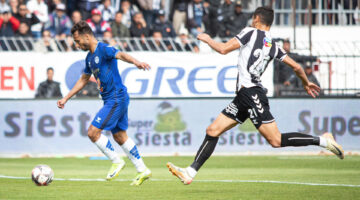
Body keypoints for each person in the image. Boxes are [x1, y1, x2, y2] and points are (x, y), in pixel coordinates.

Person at [166, 6, 344, 185]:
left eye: (253, 17)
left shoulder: (250, 32)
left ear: (257, 18)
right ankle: (190, 172)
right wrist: (306, 83)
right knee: (212, 130)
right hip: (243, 96)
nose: (252, 20)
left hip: (252, 93)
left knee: (275, 140)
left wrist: (207, 39)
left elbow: (223, 49)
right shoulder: (273, 45)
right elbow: (297, 67)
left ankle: (323, 141)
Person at [57, 21, 152, 185]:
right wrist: (66, 98)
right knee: (120, 136)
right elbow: (83, 80)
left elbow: (121, 54)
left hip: (116, 98)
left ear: (87, 36)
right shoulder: (89, 58)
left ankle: (116, 161)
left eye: (78, 41)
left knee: (93, 132)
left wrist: (136, 62)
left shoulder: (104, 49)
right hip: (114, 98)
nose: (77, 45)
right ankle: (142, 169)